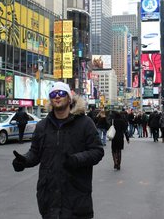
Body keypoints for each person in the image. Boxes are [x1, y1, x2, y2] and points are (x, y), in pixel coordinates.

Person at [12, 81, 104, 219]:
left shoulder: (85, 123)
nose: (57, 97)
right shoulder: (42, 126)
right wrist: (24, 161)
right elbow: (35, 153)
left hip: (77, 196)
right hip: (49, 197)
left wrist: (76, 159)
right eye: (53, 94)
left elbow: (97, 151)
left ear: (69, 98)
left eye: (61, 93)